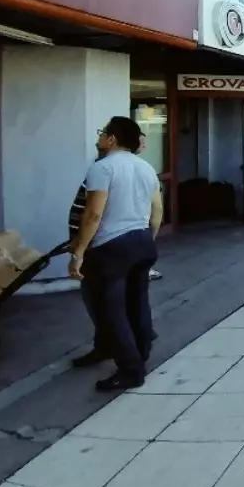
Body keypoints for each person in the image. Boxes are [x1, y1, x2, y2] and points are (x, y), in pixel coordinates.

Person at [68, 116, 163, 391]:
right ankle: (139, 353)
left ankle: (131, 371)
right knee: (138, 303)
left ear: (111, 139)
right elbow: (156, 213)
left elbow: (94, 214)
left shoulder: (103, 167)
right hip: (142, 242)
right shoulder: (146, 168)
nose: (99, 137)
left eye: (103, 133)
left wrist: (79, 252)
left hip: (111, 248)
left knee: (112, 311)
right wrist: (147, 241)